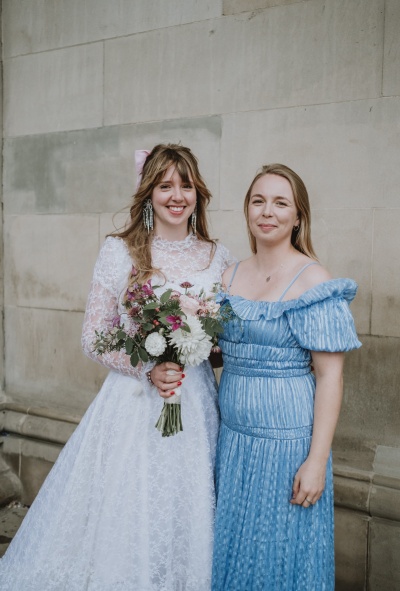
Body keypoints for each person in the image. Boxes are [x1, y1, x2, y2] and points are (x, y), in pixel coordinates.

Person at [0, 144, 235, 591]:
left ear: (198, 193)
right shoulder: (120, 252)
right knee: (132, 507)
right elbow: (93, 336)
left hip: (198, 404)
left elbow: (225, 338)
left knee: (188, 506)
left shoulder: (218, 256)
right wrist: (149, 368)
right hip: (133, 406)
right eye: (165, 185)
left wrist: (201, 347)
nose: (176, 195)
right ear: (148, 193)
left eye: (185, 184)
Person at [211, 163, 361, 591]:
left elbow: (331, 378)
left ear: (298, 217)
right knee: (237, 549)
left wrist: (315, 462)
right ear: (246, 210)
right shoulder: (229, 276)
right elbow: (224, 353)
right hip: (234, 439)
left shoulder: (313, 280)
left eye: (281, 203)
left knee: (279, 553)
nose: (267, 211)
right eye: (258, 200)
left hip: (287, 444)